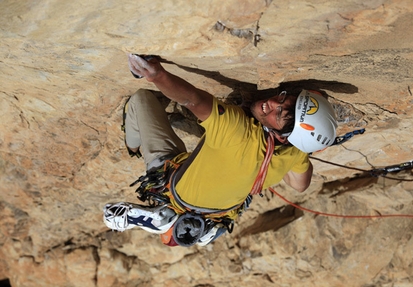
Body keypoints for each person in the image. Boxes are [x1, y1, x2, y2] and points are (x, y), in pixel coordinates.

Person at [103, 54, 338, 247]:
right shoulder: (295, 152)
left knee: (141, 100)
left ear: (285, 136)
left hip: (174, 186)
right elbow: (300, 185)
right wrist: (298, 155)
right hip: (219, 212)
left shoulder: (237, 129)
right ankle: (199, 227)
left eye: (280, 115)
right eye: (286, 100)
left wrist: (157, 76)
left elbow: (193, 100)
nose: (274, 102)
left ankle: (133, 146)